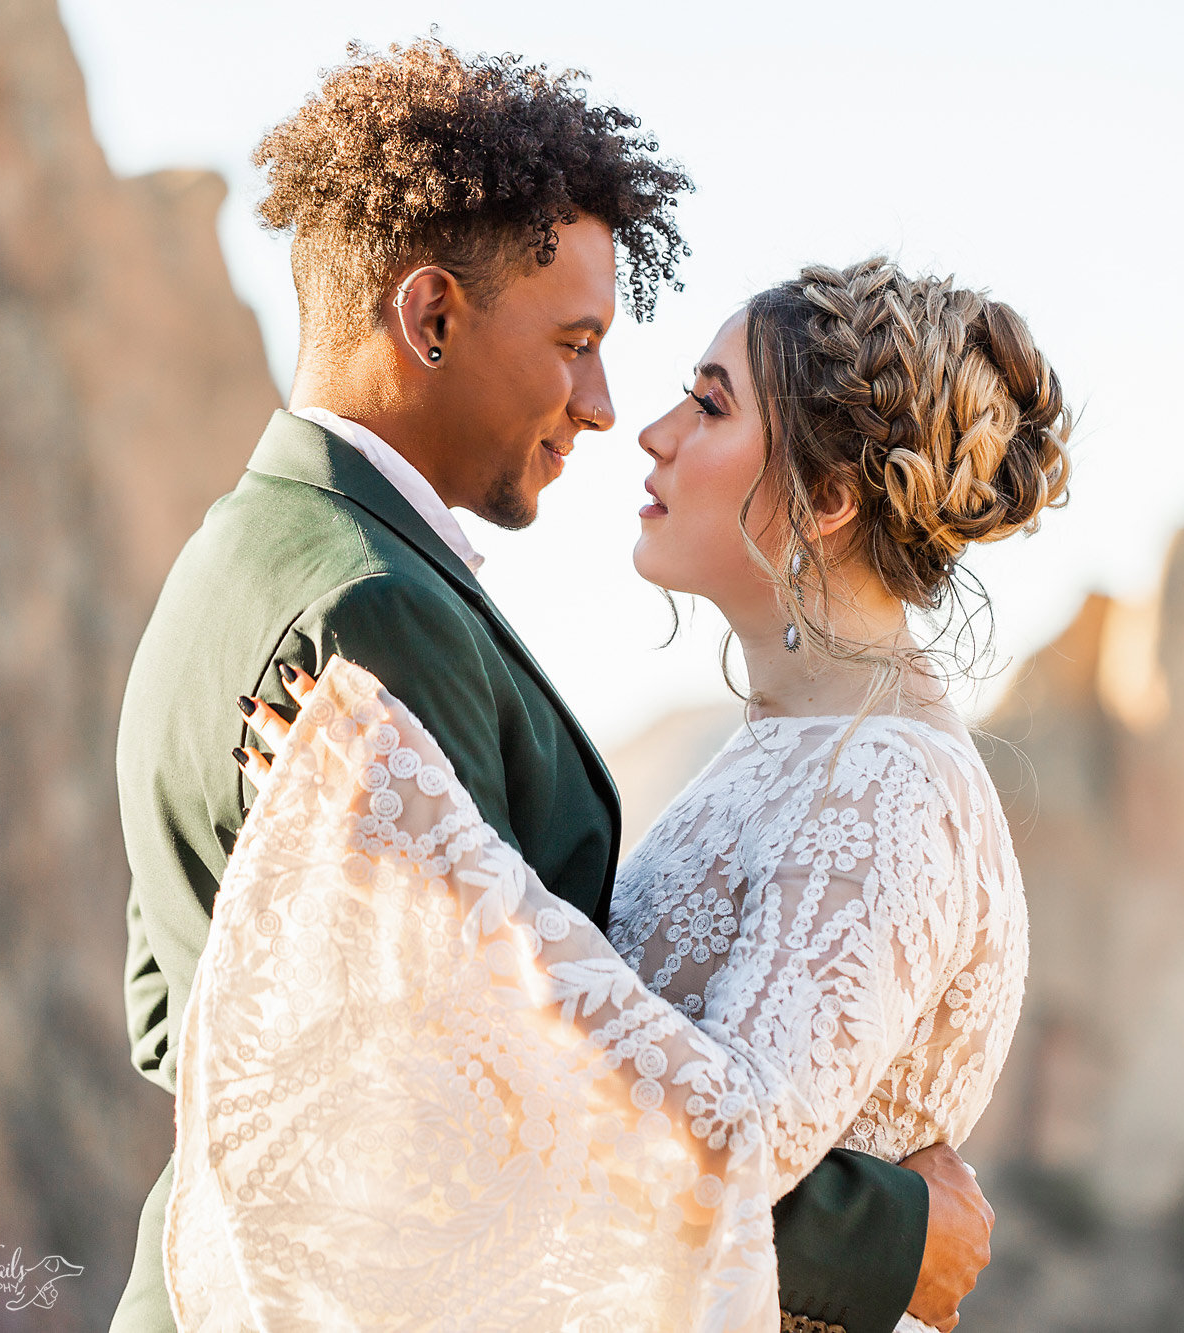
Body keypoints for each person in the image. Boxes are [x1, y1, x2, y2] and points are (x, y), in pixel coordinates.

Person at [112, 40, 991, 1333]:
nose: (600, 405)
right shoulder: (370, 615)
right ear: (430, 317)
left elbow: (162, 1007)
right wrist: (886, 1241)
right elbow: (472, 1090)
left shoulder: (246, 554)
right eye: (575, 342)